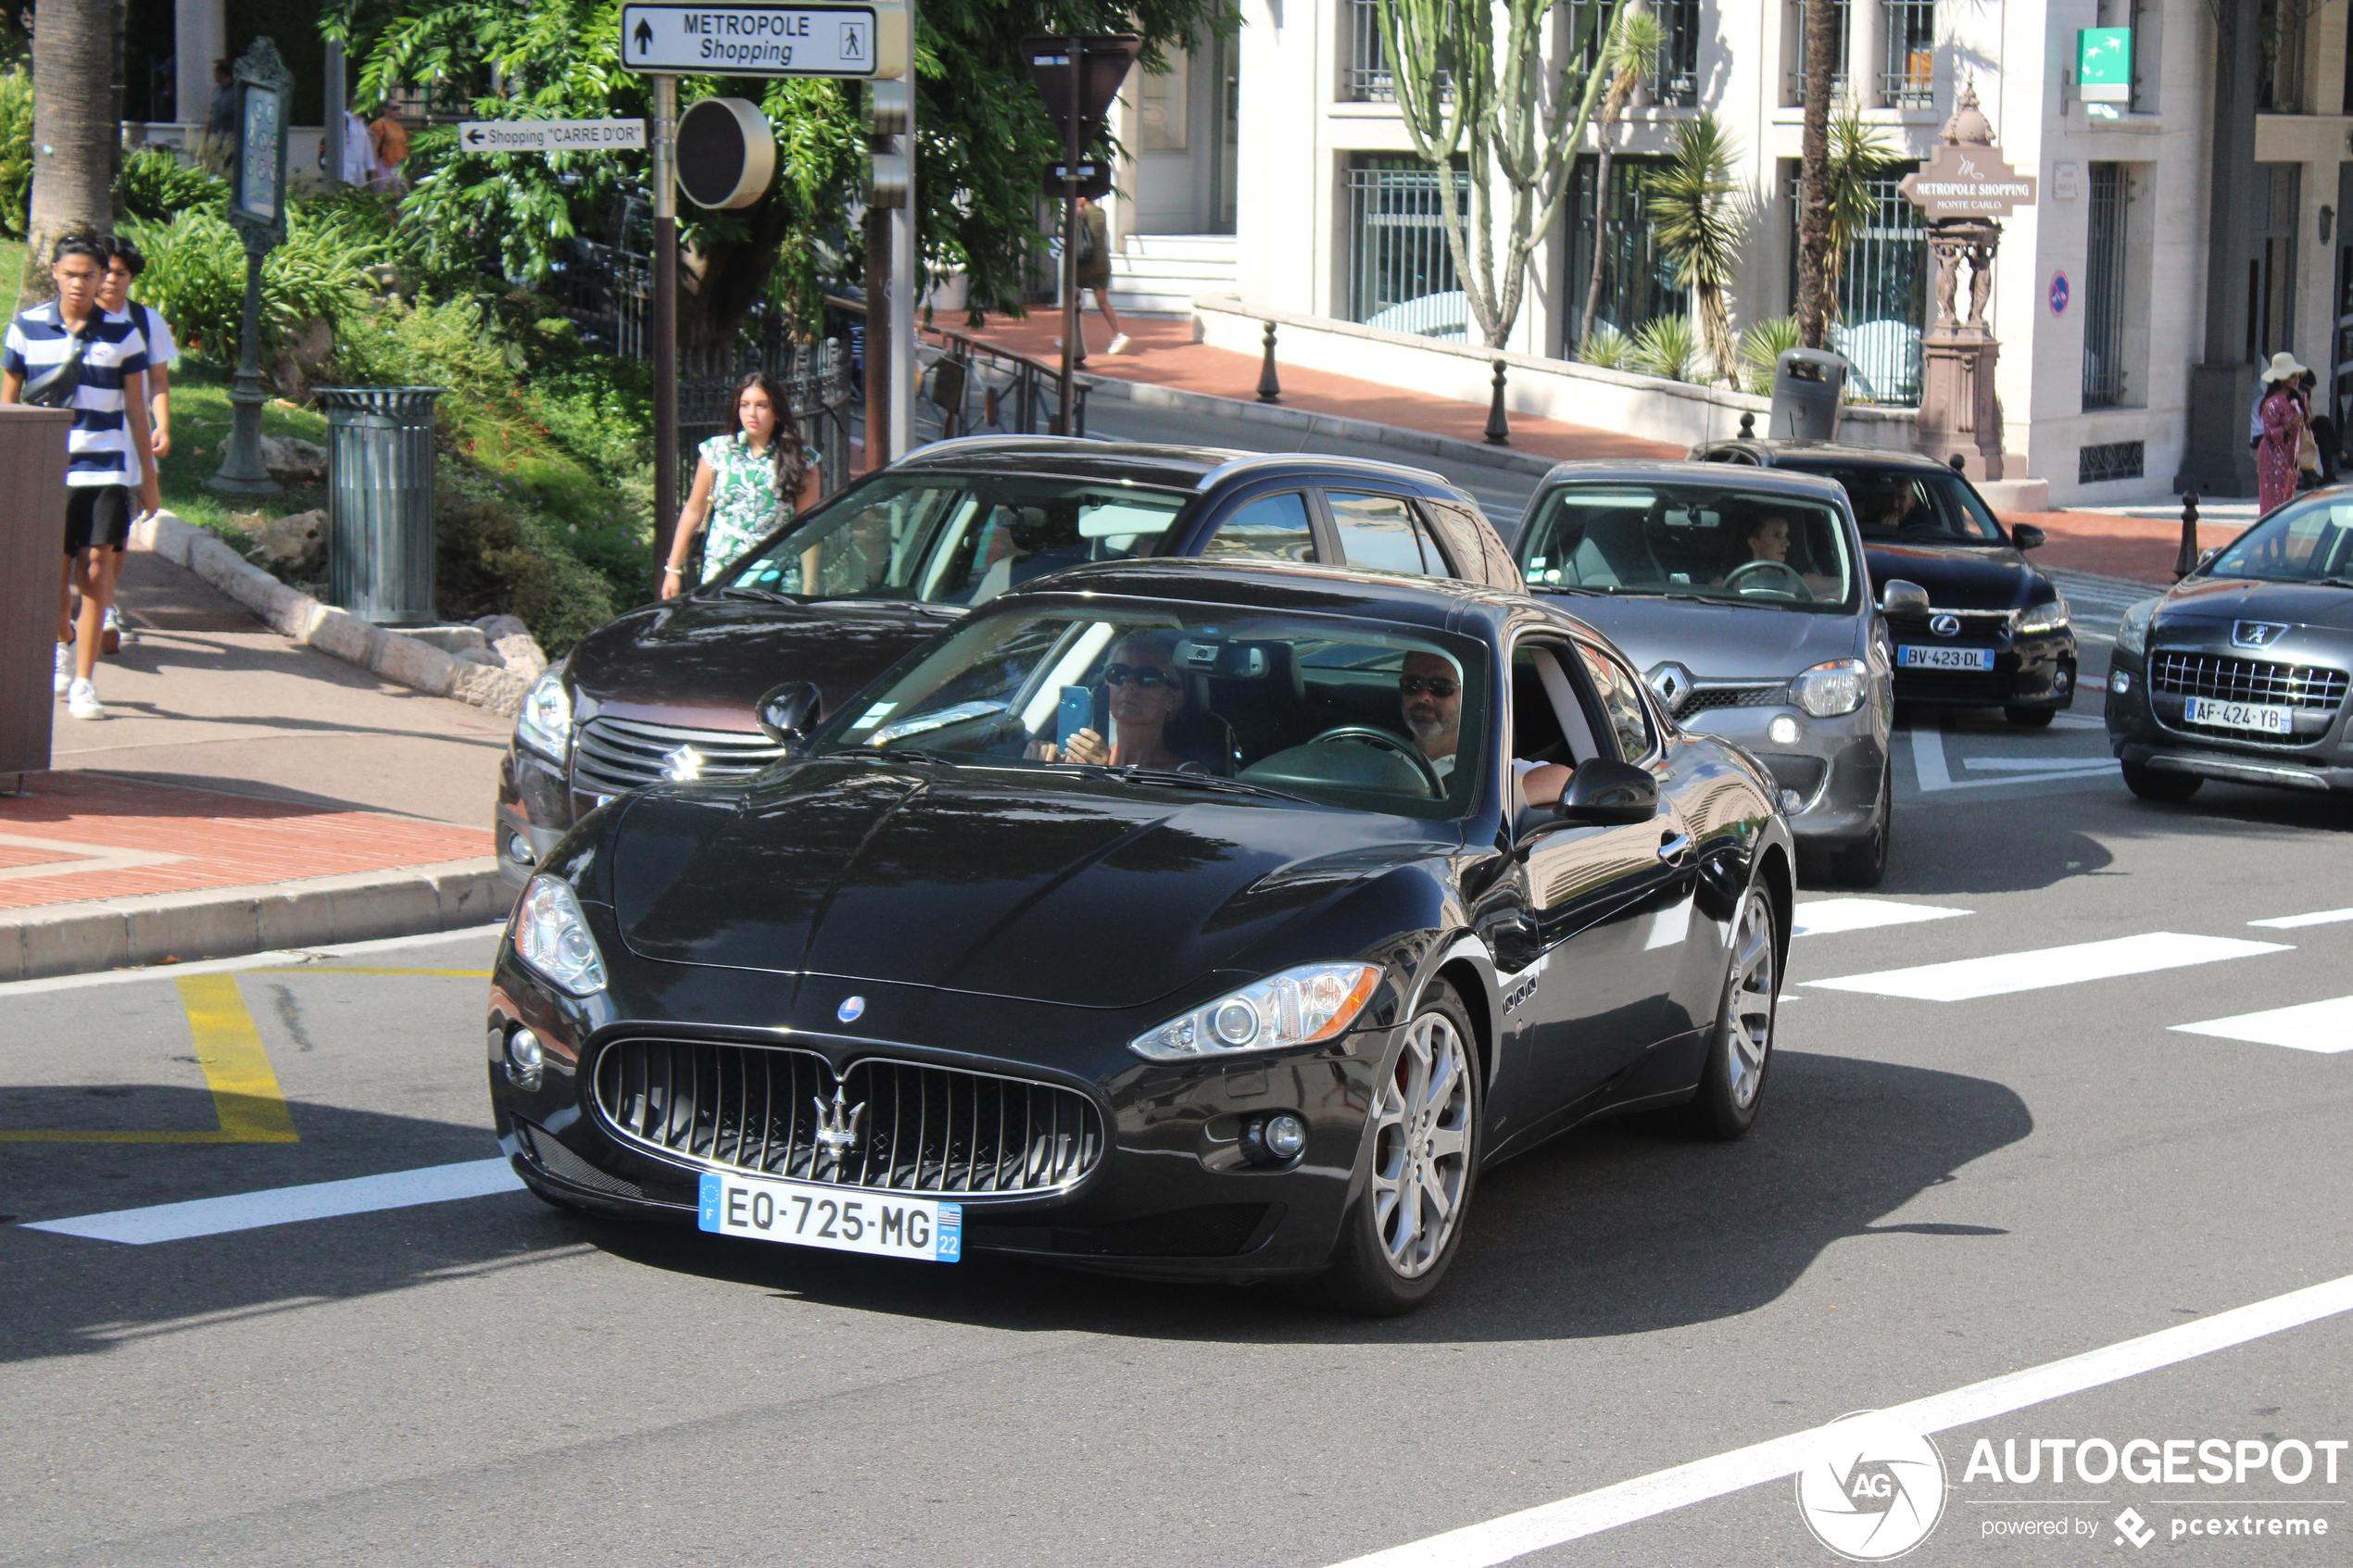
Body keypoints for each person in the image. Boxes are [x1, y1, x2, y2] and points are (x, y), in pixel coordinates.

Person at [3, 232, 160, 721]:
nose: (80, 284)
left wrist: (149, 480)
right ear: (54, 272)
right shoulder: (26, 328)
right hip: (45, 466)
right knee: (52, 569)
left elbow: (136, 409)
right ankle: (61, 641)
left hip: (107, 466)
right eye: (71, 274)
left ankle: (85, 682)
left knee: (95, 569)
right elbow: (7, 402)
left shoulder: (123, 334)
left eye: (90, 275)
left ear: (103, 279)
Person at [661, 371, 821, 597]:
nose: (751, 413)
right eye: (745, 405)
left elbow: (809, 527)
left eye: (761, 405)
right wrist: (673, 569)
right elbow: (693, 510)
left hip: (778, 575)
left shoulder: (802, 460)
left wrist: (809, 585)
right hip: (722, 571)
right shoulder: (716, 452)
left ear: (776, 410)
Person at [93, 234, 177, 653]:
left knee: (117, 530)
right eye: (104, 270)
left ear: (131, 278)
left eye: (120, 273)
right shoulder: (73, 321)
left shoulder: (146, 323)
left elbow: (158, 380)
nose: (110, 280)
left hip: (131, 441)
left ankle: (105, 608)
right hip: (82, 444)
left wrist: (162, 424)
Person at [1399, 649, 1570, 805]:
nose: (1422, 697)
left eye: (1440, 686)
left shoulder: (1494, 771)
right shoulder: (1376, 760)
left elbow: (1563, 780)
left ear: (1473, 696)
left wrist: (1474, 805)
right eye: (1412, 684)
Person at [1038, 632, 1191, 769]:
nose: (1128, 684)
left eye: (1147, 677)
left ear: (1174, 699)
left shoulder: (1187, 774)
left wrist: (1102, 776)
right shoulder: (1079, 759)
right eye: (1117, 673)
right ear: (1106, 685)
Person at [1062, 197, 1128, 359]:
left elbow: (1065, 232)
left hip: (1084, 262)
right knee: (1103, 301)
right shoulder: (1100, 212)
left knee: (1071, 295)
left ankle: (1069, 335)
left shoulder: (1080, 212)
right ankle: (1118, 334)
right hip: (1101, 261)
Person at [1716, 510, 1839, 597]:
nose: (1787, 543)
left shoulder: (1798, 580)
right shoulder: (1727, 583)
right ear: (1754, 543)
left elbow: (1846, 590)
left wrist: (1820, 599)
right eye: (1777, 535)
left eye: (1786, 535)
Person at [2256, 351, 2308, 516]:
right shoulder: (2272, 403)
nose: (2296, 379)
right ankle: (2268, 536)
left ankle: (2282, 537)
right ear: (2282, 378)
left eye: (2297, 376)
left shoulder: (2293, 400)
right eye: (2292, 376)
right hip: (2273, 456)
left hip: (2289, 456)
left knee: (2287, 498)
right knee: (2273, 500)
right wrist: (2293, 423)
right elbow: (2270, 432)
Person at [202, 59, 235, 176]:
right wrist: (205, 139)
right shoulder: (216, 90)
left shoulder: (237, 92)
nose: (213, 75)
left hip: (230, 143)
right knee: (213, 172)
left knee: (228, 173)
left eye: (214, 72)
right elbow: (211, 115)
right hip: (215, 140)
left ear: (221, 73)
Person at [368, 107, 411, 193]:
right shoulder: (378, 125)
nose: (398, 111)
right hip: (384, 165)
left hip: (399, 166)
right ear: (386, 109)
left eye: (399, 108)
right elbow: (372, 147)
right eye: (395, 108)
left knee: (401, 195)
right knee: (384, 194)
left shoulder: (398, 127)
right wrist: (374, 169)